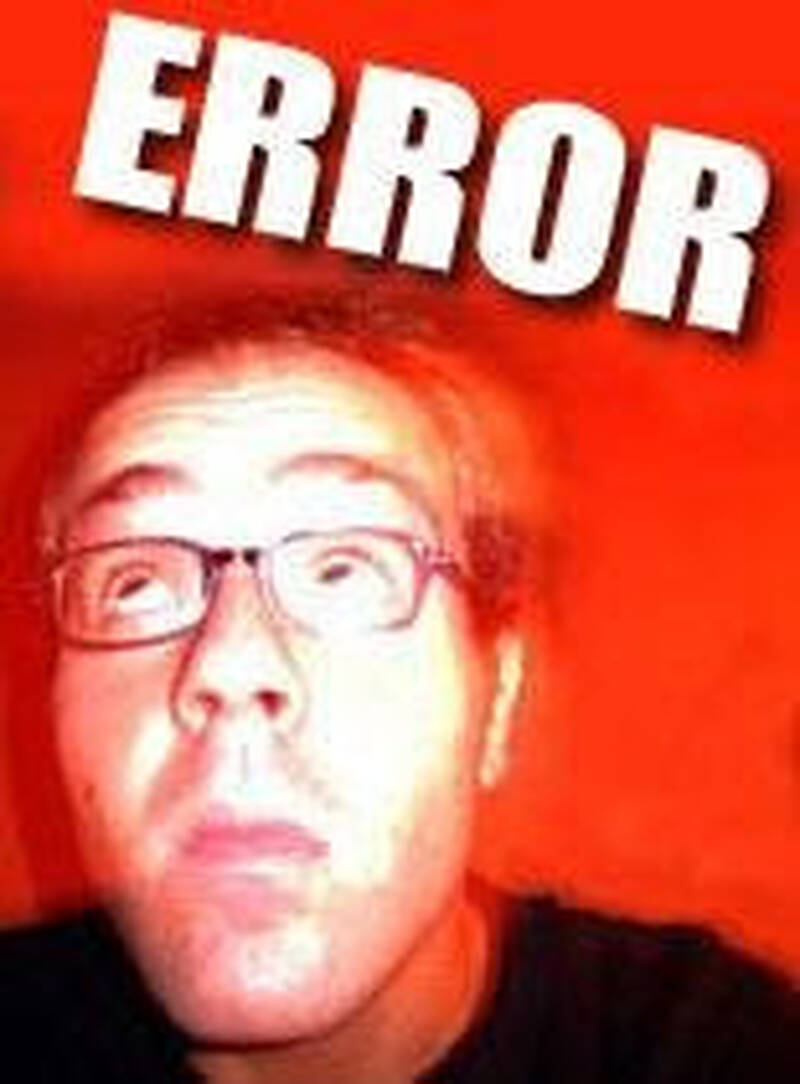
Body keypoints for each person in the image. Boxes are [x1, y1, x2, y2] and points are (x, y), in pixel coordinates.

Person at [0, 287, 796, 1083]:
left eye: (344, 571)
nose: (230, 664)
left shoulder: (705, 1046)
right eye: (136, 583)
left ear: (496, 703)